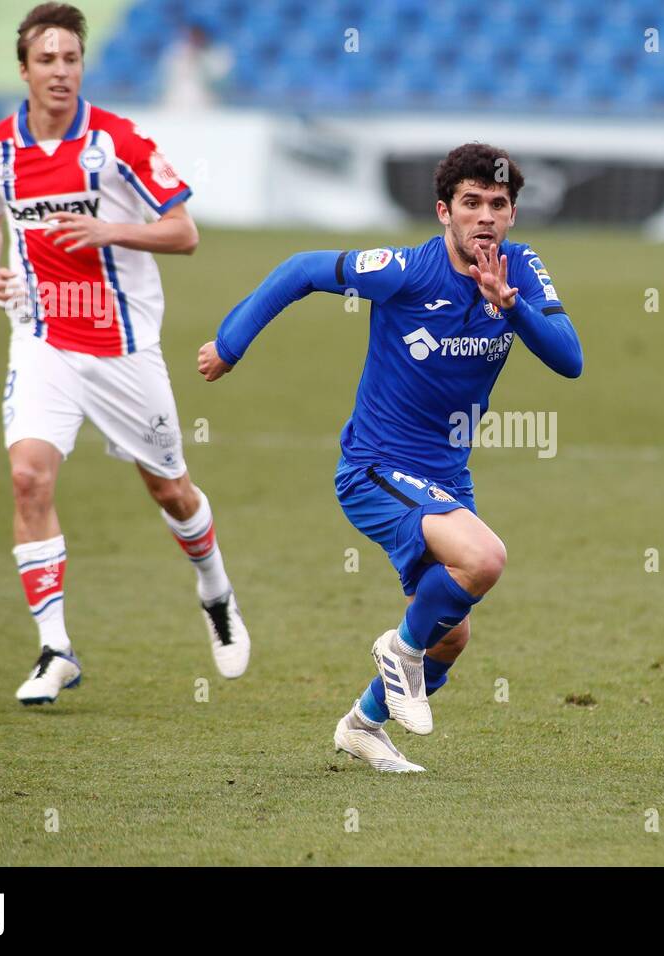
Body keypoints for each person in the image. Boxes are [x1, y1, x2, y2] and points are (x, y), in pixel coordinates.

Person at [198, 144, 582, 772]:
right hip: (375, 469)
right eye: (471, 203)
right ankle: (398, 651)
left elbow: (570, 360)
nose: (485, 217)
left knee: (452, 634)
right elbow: (300, 270)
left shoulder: (521, 269)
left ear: (512, 215)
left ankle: (363, 725)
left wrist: (510, 305)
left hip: (445, 477)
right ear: (443, 211)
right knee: (484, 559)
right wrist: (231, 345)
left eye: (498, 205)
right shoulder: (401, 270)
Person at [0, 3, 249, 705]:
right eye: (47, 60)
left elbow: (185, 233)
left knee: (170, 489)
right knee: (29, 478)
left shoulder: (117, 142)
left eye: (72, 59)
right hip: (41, 342)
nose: (61, 72)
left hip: (122, 349)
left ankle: (215, 589)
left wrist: (108, 229)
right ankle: (55, 649)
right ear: (24, 69)